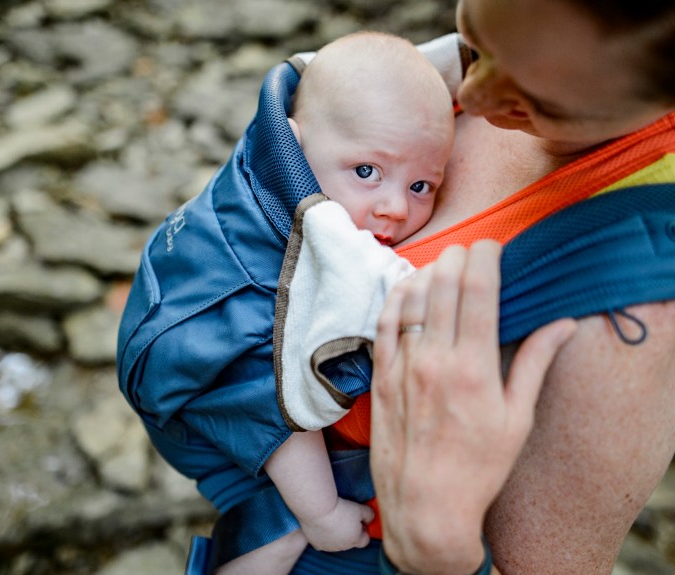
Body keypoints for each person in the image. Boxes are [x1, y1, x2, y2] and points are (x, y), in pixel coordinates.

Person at [362, 1, 675, 574]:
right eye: (478, 40)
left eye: (545, 103)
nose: (476, 97)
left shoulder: (644, 306)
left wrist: (437, 550)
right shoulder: (555, 35)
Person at [116, 31, 455, 575]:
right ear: (294, 145)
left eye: (422, 185)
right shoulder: (291, 254)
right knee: (285, 495)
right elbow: (273, 405)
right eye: (367, 172)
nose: (394, 207)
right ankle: (266, 536)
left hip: (163, 302)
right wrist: (319, 512)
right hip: (188, 366)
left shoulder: (292, 133)